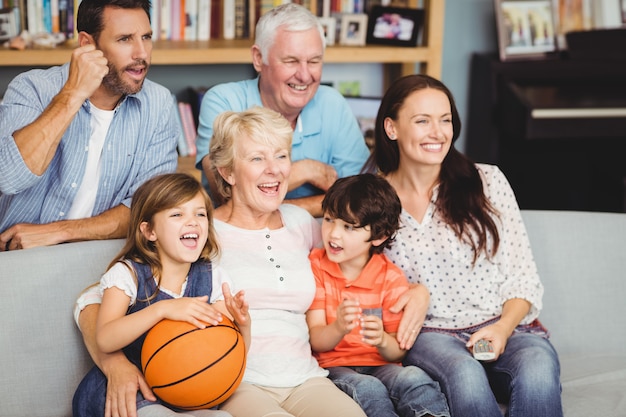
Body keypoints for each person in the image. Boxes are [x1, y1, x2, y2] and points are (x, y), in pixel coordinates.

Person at [364, 74, 563, 417]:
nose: (438, 132)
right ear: (391, 128)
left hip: (505, 325)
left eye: (445, 120)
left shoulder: (488, 180)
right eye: (422, 120)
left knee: (538, 369)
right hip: (432, 335)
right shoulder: (372, 199)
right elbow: (356, 275)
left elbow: (523, 276)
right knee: (465, 375)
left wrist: (502, 328)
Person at [204, 106, 367, 417]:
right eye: (257, 158)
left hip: (304, 379)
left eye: (281, 156)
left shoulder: (299, 222)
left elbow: (354, 266)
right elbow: (134, 281)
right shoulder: (205, 231)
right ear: (227, 172)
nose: (274, 169)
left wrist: (416, 292)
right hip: (239, 381)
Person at [0, 0, 179, 252]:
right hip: (20, 255)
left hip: (103, 258)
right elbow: (9, 177)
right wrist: (73, 93)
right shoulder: (32, 89)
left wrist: (60, 232)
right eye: (125, 39)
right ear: (87, 44)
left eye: (146, 37)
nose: (142, 53)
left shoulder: (159, 104)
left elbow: (148, 209)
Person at [73, 172, 250, 417]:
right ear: (149, 231)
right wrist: (162, 309)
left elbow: (229, 354)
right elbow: (105, 337)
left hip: (182, 391)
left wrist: (244, 327)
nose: (193, 222)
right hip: (131, 389)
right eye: (177, 214)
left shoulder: (214, 277)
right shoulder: (127, 275)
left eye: (200, 214)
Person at [195, 3, 370, 217]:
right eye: (291, 61)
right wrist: (306, 170)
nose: (305, 76)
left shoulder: (332, 103)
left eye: (314, 61)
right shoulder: (223, 101)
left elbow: (362, 196)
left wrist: (272, 207)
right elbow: (228, 196)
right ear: (259, 58)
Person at [306, 173, 450, 417]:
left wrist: (383, 340)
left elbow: (398, 350)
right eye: (329, 219)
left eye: (349, 227)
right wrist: (339, 327)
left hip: (380, 365)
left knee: (415, 377)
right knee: (368, 388)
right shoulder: (316, 266)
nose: (334, 234)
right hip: (334, 368)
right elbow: (316, 339)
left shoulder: (390, 277)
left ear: (379, 236)